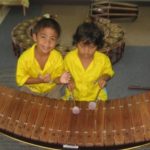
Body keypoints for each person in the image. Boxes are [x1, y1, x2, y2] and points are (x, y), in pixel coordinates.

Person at [16, 17, 69, 99]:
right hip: (31, 89)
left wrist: (60, 80)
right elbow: (21, 80)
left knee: (56, 103)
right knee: (21, 99)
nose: (47, 42)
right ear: (35, 37)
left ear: (57, 42)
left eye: (52, 39)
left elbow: (56, 79)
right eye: (43, 37)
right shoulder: (24, 58)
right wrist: (39, 80)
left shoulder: (57, 57)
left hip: (50, 89)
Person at [63, 21, 114, 101]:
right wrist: (70, 79)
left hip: (96, 96)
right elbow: (65, 72)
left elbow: (108, 72)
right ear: (76, 43)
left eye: (92, 47)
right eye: (82, 46)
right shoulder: (69, 58)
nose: (86, 51)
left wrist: (103, 78)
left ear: (97, 46)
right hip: (74, 95)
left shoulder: (103, 59)